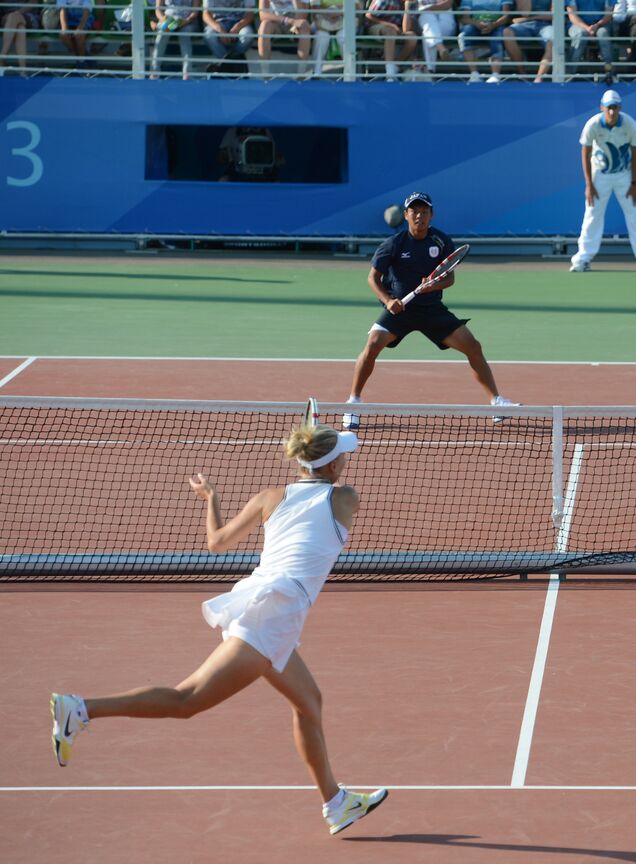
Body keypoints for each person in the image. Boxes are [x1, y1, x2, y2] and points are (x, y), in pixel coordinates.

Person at [49, 421, 390, 836]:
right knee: (186, 700)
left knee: (308, 703)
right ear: (333, 466)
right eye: (342, 455)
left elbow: (217, 542)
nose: (347, 461)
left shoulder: (268, 497)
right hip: (274, 614)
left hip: (268, 604)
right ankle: (80, 709)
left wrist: (211, 499)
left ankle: (336, 804)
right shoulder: (346, 499)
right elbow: (324, 512)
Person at [344, 192, 514, 429]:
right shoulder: (393, 244)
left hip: (432, 309)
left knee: (473, 346)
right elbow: (373, 278)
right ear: (406, 215)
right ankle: (353, 404)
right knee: (372, 345)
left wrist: (434, 285)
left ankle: (496, 402)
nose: (419, 216)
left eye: (424, 212)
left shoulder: (441, 241)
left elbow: (450, 278)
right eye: (414, 212)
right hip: (400, 310)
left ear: (431, 215)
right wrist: (388, 300)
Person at [569, 89, 636, 274]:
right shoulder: (593, 125)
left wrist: (634, 184)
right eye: (609, 107)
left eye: (615, 107)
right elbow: (585, 153)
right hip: (599, 176)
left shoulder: (629, 124)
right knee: (592, 215)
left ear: (620, 108)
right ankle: (582, 259)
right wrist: (589, 185)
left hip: (625, 176)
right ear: (602, 107)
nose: (612, 111)